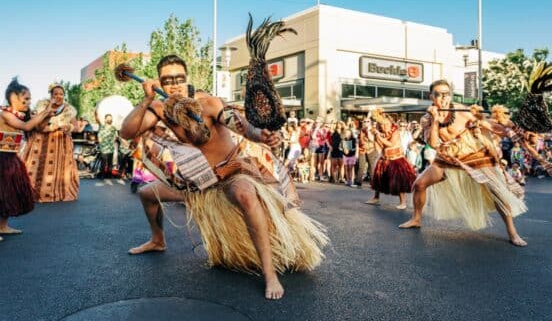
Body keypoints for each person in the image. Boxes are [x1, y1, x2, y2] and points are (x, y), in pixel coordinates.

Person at [120, 55, 328, 300]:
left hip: (230, 172)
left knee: (245, 194)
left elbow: (241, 126)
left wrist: (261, 135)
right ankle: (158, 240)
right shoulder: (160, 109)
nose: (174, 85)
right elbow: (127, 131)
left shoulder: (208, 103)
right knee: (147, 194)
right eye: (167, 80)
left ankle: (270, 273)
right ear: (159, 82)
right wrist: (147, 99)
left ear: (187, 79)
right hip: (200, 181)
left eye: (179, 78)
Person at [399, 80, 528, 247]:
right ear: (431, 96)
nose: (443, 98)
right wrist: (435, 120)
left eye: (446, 94)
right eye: (438, 94)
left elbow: (488, 125)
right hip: (448, 157)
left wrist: (511, 130)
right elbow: (433, 143)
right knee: (419, 184)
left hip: (475, 155)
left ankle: (512, 232)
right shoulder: (426, 118)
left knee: (498, 193)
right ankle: (416, 219)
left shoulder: (463, 111)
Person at [0, 78, 54, 242]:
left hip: (10, 157)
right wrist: (45, 112)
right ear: (13, 98)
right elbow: (26, 127)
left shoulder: (23, 115)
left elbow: (39, 127)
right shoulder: (5, 114)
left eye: (29, 99)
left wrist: (47, 114)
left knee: (10, 191)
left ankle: (1, 225)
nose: (28, 102)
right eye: (26, 99)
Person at [22, 83, 79, 202]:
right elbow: (38, 125)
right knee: (37, 167)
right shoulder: (43, 107)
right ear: (51, 96)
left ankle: (59, 193)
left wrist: (69, 127)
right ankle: (34, 193)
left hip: (61, 143)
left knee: (61, 169)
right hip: (41, 141)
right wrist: (52, 123)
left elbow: (76, 126)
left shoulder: (69, 110)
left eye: (61, 94)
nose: (59, 96)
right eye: (56, 94)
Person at [365, 109, 416, 210]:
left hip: (396, 159)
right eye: (382, 125)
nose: (384, 127)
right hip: (385, 159)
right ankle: (376, 197)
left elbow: (390, 144)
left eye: (386, 124)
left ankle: (402, 202)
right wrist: (376, 136)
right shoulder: (380, 133)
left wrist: (378, 136)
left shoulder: (395, 132)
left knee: (399, 181)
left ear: (390, 123)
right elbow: (379, 146)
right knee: (379, 178)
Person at [354, 117, 380, 186]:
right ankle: (358, 182)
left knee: (371, 167)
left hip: (371, 150)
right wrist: (356, 153)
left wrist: (368, 131)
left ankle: (373, 183)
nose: (366, 123)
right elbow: (357, 142)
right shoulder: (360, 130)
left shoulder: (373, 130)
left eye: (367, 121)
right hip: (362, 150)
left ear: (370, 123)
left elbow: (372, 139)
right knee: (361, 166)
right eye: (364, 121)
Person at [97, 114, 118, 178]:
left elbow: (116, 136)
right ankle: (102, 175)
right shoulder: (102, 127)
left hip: (110, 148)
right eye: (108, 118)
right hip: (103, 147)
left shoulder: (113, 128)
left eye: (110, 118)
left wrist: (112, 142)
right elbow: (99, 136)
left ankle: (109, 175)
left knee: (110, 163)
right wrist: (101, 143)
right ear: (105, 119)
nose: (110, 119)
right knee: (103, 162)